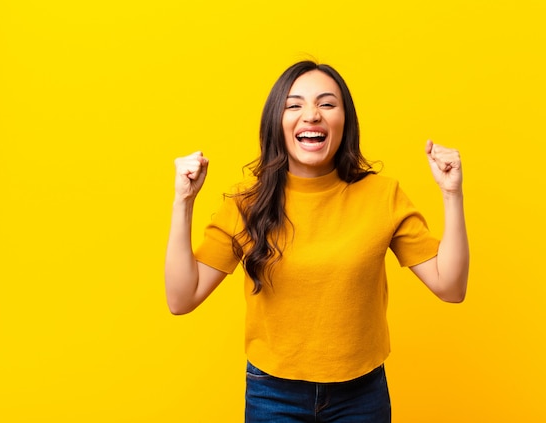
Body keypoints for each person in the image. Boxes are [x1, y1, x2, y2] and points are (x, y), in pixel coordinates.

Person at [164, 61, 469, 422]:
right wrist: (183, 202)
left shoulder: (382, 196)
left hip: (361, 393)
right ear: (276, 123)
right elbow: (181, 298)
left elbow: (451, 287)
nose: (311, 115)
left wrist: (452, 194)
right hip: (272, 393)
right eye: (294, 105)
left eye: (327, 104)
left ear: (345, 120)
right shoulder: (246, 206)